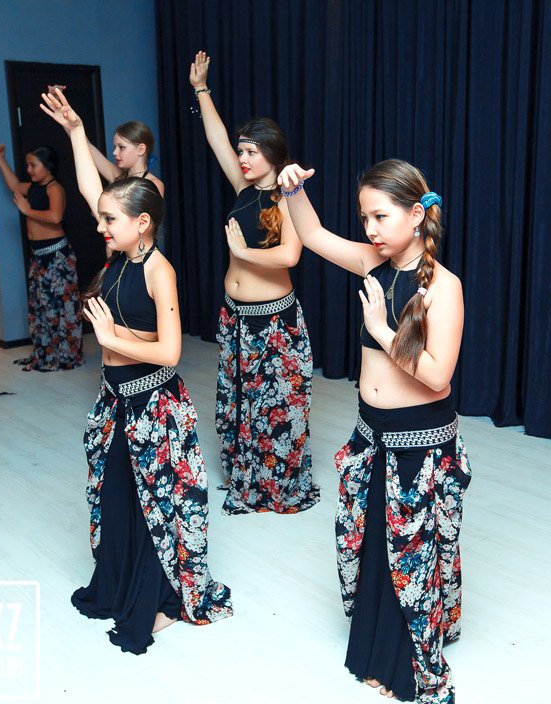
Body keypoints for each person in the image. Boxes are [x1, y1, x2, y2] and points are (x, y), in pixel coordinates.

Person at [41, 86, 232, 654]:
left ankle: (164, 601)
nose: (100, 225)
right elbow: (90, 189)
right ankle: (124, 584)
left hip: (153, 406)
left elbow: (171, 353)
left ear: (142, 223)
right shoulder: (119, 260)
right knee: (120, 498)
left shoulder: (157, 270)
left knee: (156, 505)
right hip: (117, 400)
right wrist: (77, 133)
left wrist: (110, 338)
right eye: (102, 218)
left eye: (110, 220)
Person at [278, 159, 470, 702]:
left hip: (420, 442)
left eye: (380, 217)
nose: (370, 229)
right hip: (371, 433)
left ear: (416, 215)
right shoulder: (372, 263)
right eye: (364, 218)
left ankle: (406, 657)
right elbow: (312, 234)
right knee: (370, 547)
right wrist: (290, 190)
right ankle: (375, 643)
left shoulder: (443, 287)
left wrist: (383, 331)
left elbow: (437, 375)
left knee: (410, 555)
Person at [189, 50, 320, 515]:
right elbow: (216, 138)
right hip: (236, 317)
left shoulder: (287, 196)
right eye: (242, 151)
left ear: (273, 155)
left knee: (274, 405)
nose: (243, 158)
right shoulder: (244, 190)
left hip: (274, 323)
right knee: (240, 401)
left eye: (251, 152)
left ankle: (274, 486)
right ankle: (243, 476)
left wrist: (243, 253)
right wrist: (201, 89)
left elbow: (290, 255)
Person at [0, 143, 84, 371]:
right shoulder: (33, 188)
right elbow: (15, 186)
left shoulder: (55, 188)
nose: (29, 170)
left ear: (47, 166)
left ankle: (65, 356)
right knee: (42, 307)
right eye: (28, 165)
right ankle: (46, 354)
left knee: (61, 308)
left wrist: (27, 211)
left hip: (57, 256)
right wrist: (0, 160)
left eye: (33, 165)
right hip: (39, 257)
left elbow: (55, 216)